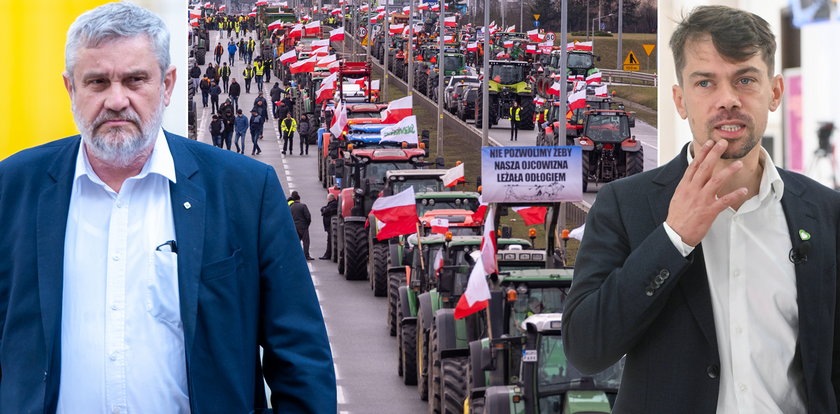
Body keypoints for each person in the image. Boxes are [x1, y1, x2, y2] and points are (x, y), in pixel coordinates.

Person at [0, 2, 335, 413]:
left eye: (135, 80)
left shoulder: (245, 191)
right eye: (98, 82)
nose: (116, 100)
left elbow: (300, 359)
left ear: (168, 84)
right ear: (71, 88)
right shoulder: (13, 188)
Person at [562, 6, 840, 414]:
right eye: (705, 82)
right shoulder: (625, 205)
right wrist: (673, 238)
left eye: (745, 79)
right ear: (680, 99)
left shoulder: (826, 211)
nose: (727, 100)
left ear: (775, 92)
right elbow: (586, 349)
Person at [288, 191, 314, 260]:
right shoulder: (303, 206)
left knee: (296, 242)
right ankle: (306, 255)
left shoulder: (291, 207)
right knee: (306, 242)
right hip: (303, 227)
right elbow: (308, 217)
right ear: (299, 199)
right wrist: (307, 224)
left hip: (295, 227)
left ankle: (294, 255)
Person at [319, 193, 338, 259]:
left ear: (330, 199)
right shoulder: (332, 204)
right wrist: (324, 209)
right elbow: (324, 209)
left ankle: (328, 254)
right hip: (329, 225)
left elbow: (325, 211)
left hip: (330, 225)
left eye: (328, 199)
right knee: (329, 239)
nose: (327, 200)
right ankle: (328, 254)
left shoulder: (333, 204)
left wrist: (324, 209)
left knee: (329, 240)